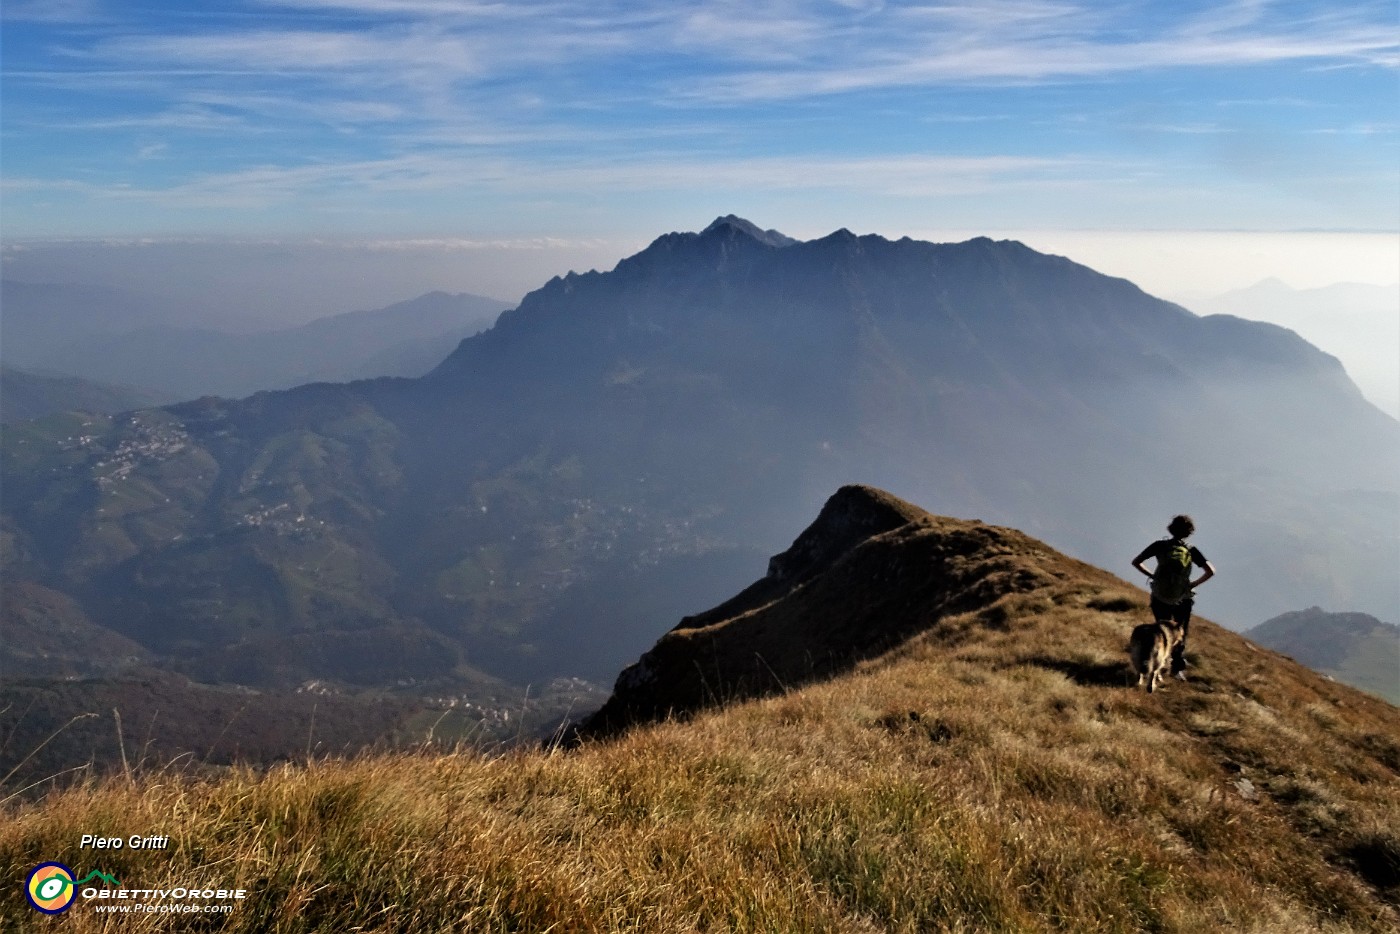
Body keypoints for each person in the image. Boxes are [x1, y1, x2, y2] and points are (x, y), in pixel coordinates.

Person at [1131, 515, 1215, 680]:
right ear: (1189, 532)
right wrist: (1191, 585)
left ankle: (1156, 662)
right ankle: (1176, 669)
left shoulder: (1160, 546)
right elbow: (1210, 571)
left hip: (1160, 596)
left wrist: (1153, 576)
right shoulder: (1191, 550)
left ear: (1171, 528)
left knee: (1161, 631)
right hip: (1182, 598)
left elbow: (1136, 562)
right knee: (1179, 633)